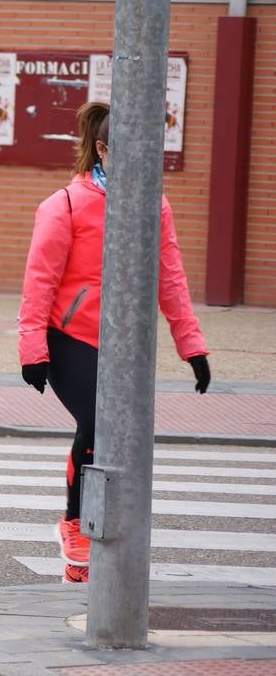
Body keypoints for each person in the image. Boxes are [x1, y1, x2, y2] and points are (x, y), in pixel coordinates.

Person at [18, 101, 209, 583]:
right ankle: (74, 522)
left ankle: (85, 565)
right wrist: (33, 350)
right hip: (68, 338)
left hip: (124, 344)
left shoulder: (155, 206)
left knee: (118, 440)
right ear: (102, 149)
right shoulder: (63, 205)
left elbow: (171, 279)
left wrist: (193, 346)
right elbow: (39, 281)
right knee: (98, 422)